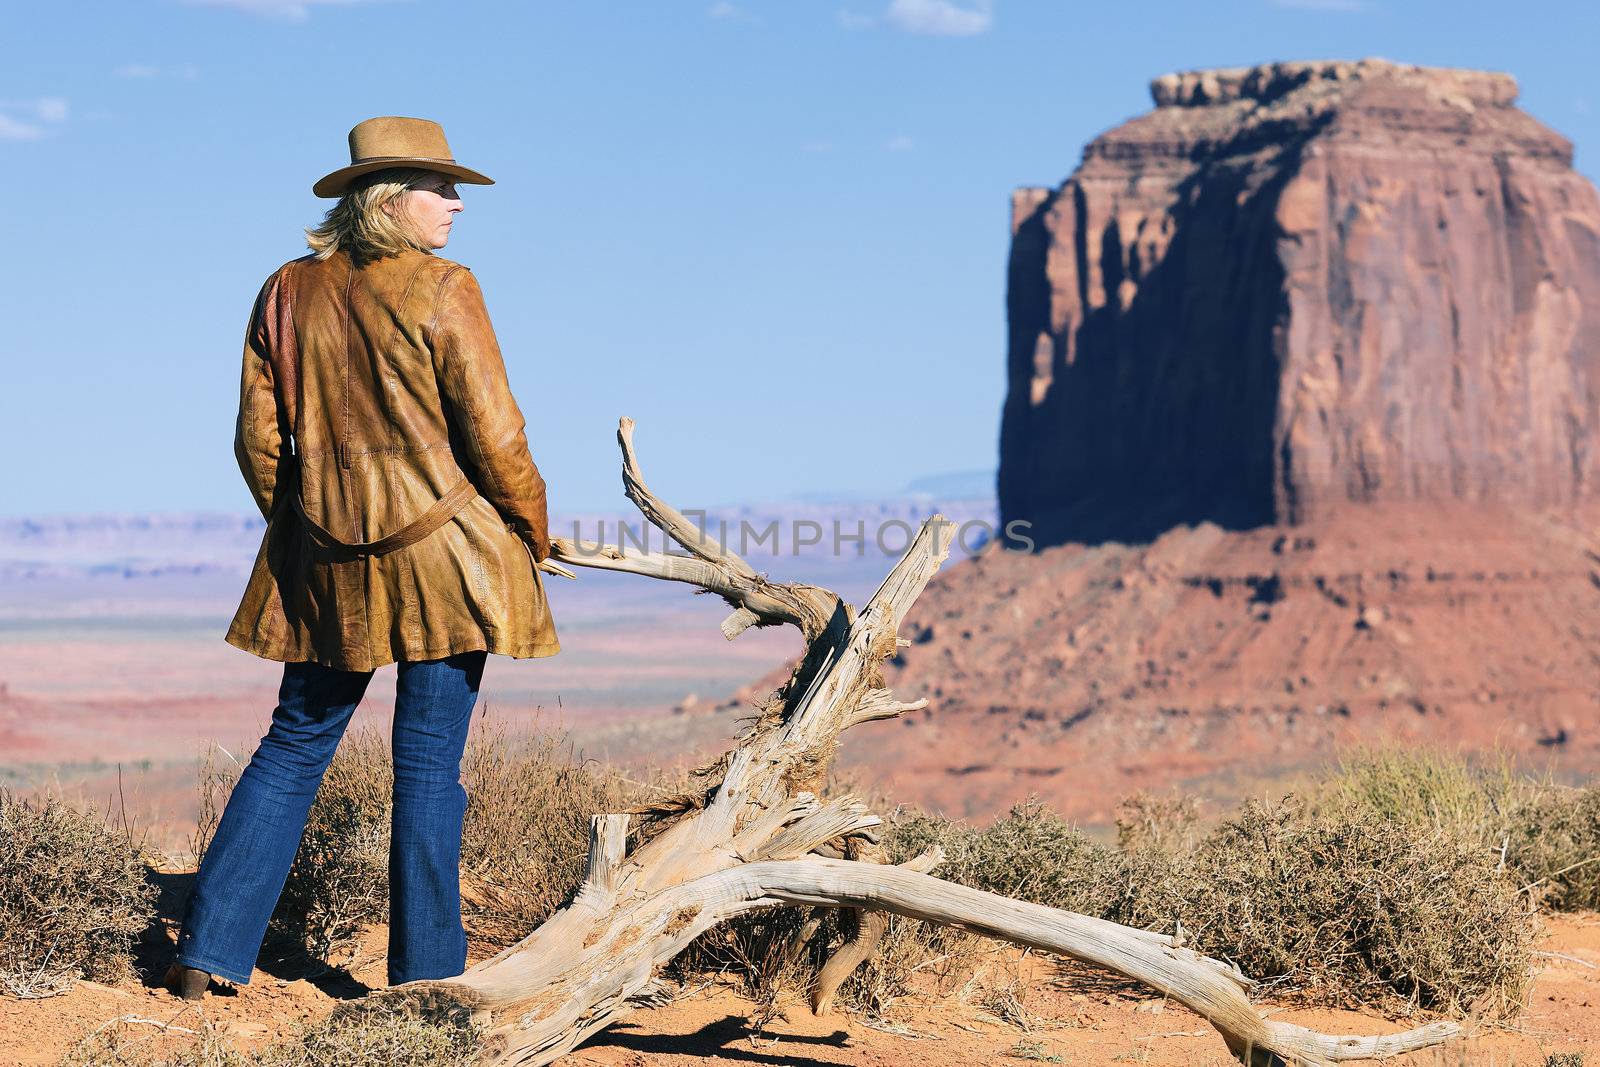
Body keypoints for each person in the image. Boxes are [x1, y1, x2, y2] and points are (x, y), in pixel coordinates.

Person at [167, 116, 560, 999]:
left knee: (293, 745)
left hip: (328, 564)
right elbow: (496, 434)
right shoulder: (445, 286)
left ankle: (202, 955)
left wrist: (308, 525)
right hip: (448, 564)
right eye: (441, 188)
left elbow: (255, 441)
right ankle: (426, 983)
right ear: (388, 198)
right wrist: (533, 523)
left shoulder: (283, 290)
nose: (456, 205)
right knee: (427, 765)